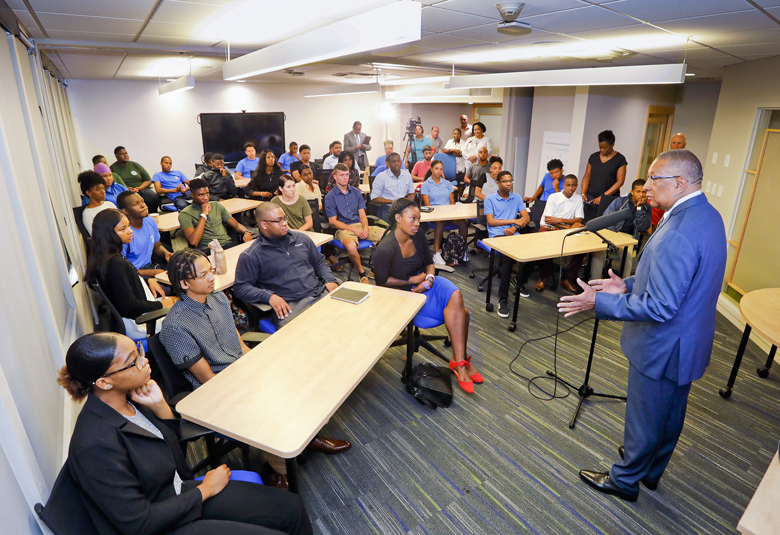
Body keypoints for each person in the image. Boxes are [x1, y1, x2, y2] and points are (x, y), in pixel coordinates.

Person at [559, 150, 727, 503]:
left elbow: (661, 305)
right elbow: (678, 281)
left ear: (679, 182)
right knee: (670, 414)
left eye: (654, 178)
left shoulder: (678, 231)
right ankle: (650, 471)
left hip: (662, 345)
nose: (647, 186)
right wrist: (628, 285)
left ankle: (625, 480)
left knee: (645, 418)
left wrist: (598, 302)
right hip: (689, 342)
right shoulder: (707, 215)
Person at [58, 332, 313, 534]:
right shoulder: (95, 444)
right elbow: (139, 524)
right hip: (158, 524)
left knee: (290, 507)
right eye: (133, 361)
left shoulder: (130, 400)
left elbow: (174, 461)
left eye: (139, 351)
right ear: (104, 382)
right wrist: (206, 490)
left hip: (178, 495)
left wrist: (161, 408)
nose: (145, 361)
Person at [161, 249, 351, 488]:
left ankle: (308, 437)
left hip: (241, 370)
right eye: (203, 275)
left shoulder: (218, 298)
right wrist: (253, 381)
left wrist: (259, 364)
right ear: (184, 283)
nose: (211, 278)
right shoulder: (176, 326)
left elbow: (237, 340)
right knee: (272, 400)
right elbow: (207, 379)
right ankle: (278, 470)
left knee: (303, 373)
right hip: (217, 388)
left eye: (210, 271)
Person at [373, 198, 481, 393]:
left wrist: (428, 280)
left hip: (426, 284)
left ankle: (459, 362)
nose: (417, 223)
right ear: (398, 218)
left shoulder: (419, 235)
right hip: (403, 293)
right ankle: (461, 362)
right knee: (463, 313)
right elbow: (381, 281)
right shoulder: (385, 248)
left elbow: (430, 263)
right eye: (412, 218)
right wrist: (413, 280)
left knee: (456, 294)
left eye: (419, 219)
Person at [235, 203, 339, 327]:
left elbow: (319, 262)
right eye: (278, 221)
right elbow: (241, 288)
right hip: (291, 305)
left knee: (348, 314)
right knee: (312, 332)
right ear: (264, 225)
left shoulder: (302, 239)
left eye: (285, 219)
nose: (285, 223)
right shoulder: (252, 255)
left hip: (318, 292)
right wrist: (269, 297)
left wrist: (329, 279)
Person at [86, 209, 175, 339]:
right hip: (141, 322)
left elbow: (126, 283)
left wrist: (148, 280)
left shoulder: (109, 256)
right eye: (123, 229)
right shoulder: (115, 264)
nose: (130, 231)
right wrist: (161, 305)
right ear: (108, 234)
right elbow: (129, 306)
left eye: (128, 226)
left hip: (140, 314)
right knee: (189, 310)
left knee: (181, 302)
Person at [324, 163, 385, 284]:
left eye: (347, 175)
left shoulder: (356, 192)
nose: (345, 178)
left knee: (388, 234)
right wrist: (354, 230)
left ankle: (374, 269)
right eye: (341, 175)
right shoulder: (330, 196)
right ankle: (362, 274)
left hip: (359, 225)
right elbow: (333, 221)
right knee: (351, 247)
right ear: (335, 177)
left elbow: (362, 214)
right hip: (343, 229)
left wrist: (365, 227)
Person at [484, 171, 531, 317]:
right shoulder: (490, 199)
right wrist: (513, 221)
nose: (509, 184)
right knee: (507, 257)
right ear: (498, 183)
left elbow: (526, 218)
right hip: (496, 235)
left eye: (510, 181)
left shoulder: (516, 197)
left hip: (513, 234)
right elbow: (491, 221)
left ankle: (518, 281)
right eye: (505, 181)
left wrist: (514, 227)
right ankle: (503, 299)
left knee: (534, 250)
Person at [590, 179, 651, 280]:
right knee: (598, 253)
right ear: (632, 192)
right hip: (612, 233)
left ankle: (624, 284)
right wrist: (613, 236)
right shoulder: (620, 201)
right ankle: (594, 283)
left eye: (644, 192)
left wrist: (640, 209)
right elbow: (606, 218)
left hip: (629, 238)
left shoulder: (647, 207)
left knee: (627, 255)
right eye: (638, 191)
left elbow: (643, 227)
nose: (641, 195)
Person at [535, 174, 585, 294]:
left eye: (573, 185)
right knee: (546, 243)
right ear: (563, 185)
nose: (571, 188)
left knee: (583, 247)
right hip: (549, 228)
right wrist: (568, 225)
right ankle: (543, 277)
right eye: (568, 185)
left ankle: (566, 278)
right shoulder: (554, 197)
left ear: (577, 186)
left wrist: (559, 220)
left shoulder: (578, 198)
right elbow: (548, 220)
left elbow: (579, 219)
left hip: (565, 230)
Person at [179, 179, 253, 251]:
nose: (205, 198)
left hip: (228, 244)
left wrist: (246, 231)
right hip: (209, 250)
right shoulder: (185, 214)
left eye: (207, 193)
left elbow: (236, 225)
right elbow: (194, 242)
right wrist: (203, 215)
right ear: (192, 195)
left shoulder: (216, 205)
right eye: (201, 195)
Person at [421, 159, 467, 265]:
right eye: (436, 168)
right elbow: (427, 205)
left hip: (448, 213)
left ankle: (463, 250)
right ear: (431, 169)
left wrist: (449, 212)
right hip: (434, 215)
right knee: (440, 221)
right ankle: (437, 253)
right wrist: (441, 213)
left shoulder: (447, 183)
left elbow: (452, 202)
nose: (438, 171)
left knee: (463, 222)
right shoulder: (426, 184)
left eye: (441, 169)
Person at [116, 191, 172, 276]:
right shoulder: (124, 234)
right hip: (133, 274)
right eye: (136, 204)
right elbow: (122, 270)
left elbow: (157, 246)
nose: (143, 206)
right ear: (125, 211)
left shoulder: (150, 221)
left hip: (149, 266)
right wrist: (152, 273)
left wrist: (166, 253)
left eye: (142, 201)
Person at [581, 129, 628, 206]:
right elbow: (587, 176)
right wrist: (583, 193)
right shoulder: (593, 157)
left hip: (609, 199)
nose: (602, 150)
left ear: (612, 144)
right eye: (600, 147)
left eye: (605, 148)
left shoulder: (620, 159)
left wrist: (603, 197)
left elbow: (620, 181)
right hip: (591, 197)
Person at [110, 146, 159, 213]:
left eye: (126, 153)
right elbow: (114, 185)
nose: (125, 155)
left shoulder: (135, 165)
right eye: (122, 154)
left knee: (152, 196)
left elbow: (148, 180)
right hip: (126, 192)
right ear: (116, 156)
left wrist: (139, 188)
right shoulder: (112, 168)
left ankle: (152, 215)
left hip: (141, 189)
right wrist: (127, 189)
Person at [370, 153, 416, 222]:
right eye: (393, 162)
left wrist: (408, 204)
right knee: (395, 221)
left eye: (398, 161)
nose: (396, 163)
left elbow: (411, 192)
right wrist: (393, 202)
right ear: (388, 163)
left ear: (401, 162)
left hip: (403, 207)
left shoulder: (407, 175)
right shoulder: (381, 177)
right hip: (387, 207)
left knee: (414, 219)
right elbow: (374, 198)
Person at [79, 170, 117, 236]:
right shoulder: (88, 214)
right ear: (89, 193)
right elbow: (96, 236)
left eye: (103, 188)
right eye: (98, 189)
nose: (103, 192)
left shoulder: (110, 204)